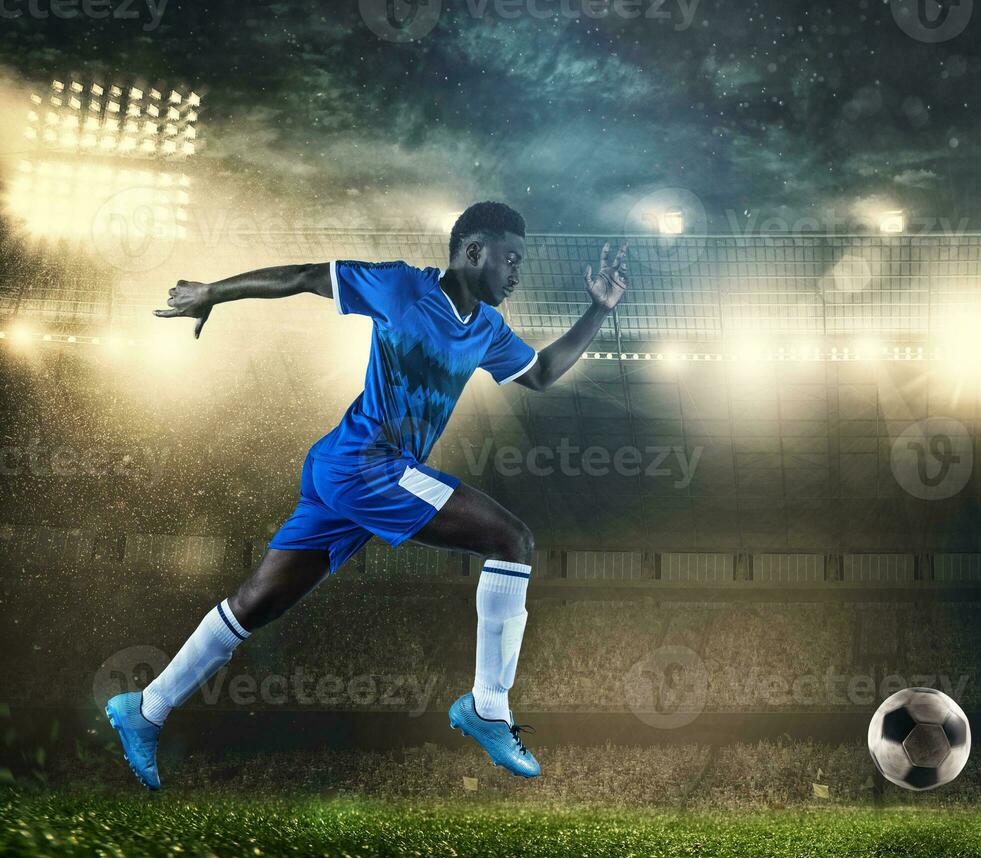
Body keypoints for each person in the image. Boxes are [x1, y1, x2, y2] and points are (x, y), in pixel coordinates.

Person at [104, 202, 629, 787]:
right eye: (510, 259)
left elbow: (540, 372)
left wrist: (598, 310)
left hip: (349, 473)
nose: (516, 273)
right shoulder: (402, 286)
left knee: (256, 602)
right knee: (513, 540)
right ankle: (489, 707)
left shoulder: (485, 328)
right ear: (473, 251)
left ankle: (145, 709)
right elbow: (307, 275)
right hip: (366, 465)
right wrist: (212, 292)